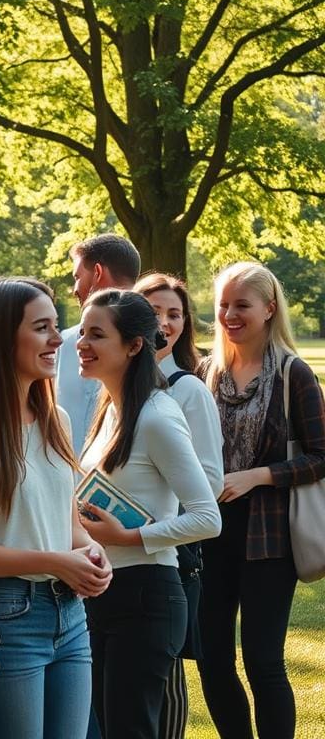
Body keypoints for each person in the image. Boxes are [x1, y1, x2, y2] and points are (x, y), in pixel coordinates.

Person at [0, 277, 112, 739]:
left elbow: (65, 519)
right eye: (42, 328)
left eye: (56, 325)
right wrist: (55, 561)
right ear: (0, 337)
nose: (59, 339)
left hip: (70, 615)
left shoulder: (57, 418)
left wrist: (92, 551)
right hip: (5, 619)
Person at [77, 289, 221, 739]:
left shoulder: (158, 414)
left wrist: (128, 538)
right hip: (100, 594)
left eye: (96, 334)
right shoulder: (109, 410)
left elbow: (207, 516)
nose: (81, 343)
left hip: (145, 598)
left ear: (134, 345)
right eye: (81, 331)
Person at [198, 262, 325, 739]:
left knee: (263, 661)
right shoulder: (204, 372)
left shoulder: (293, 374)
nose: (229, 314)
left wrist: (257, 476)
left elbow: (320, 456)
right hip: (208, 534)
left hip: (269, 541)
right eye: (223, 305)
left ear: (269, 309)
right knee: (211, 658)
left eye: (241, 305)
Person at [134, 272, 224, 739]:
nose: (164, 325)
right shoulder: (118, 386)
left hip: (166, 555)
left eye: (175, 315)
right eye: (152, 313)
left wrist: (138, 514)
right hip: (115, 557)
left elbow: (208, 484)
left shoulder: (187, 390)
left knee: (161, 684)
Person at [56, 235, 140, 455]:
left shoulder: (157, 344)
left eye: (77, 277)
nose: (74, 289)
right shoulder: (64, 344)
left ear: (98, 273)